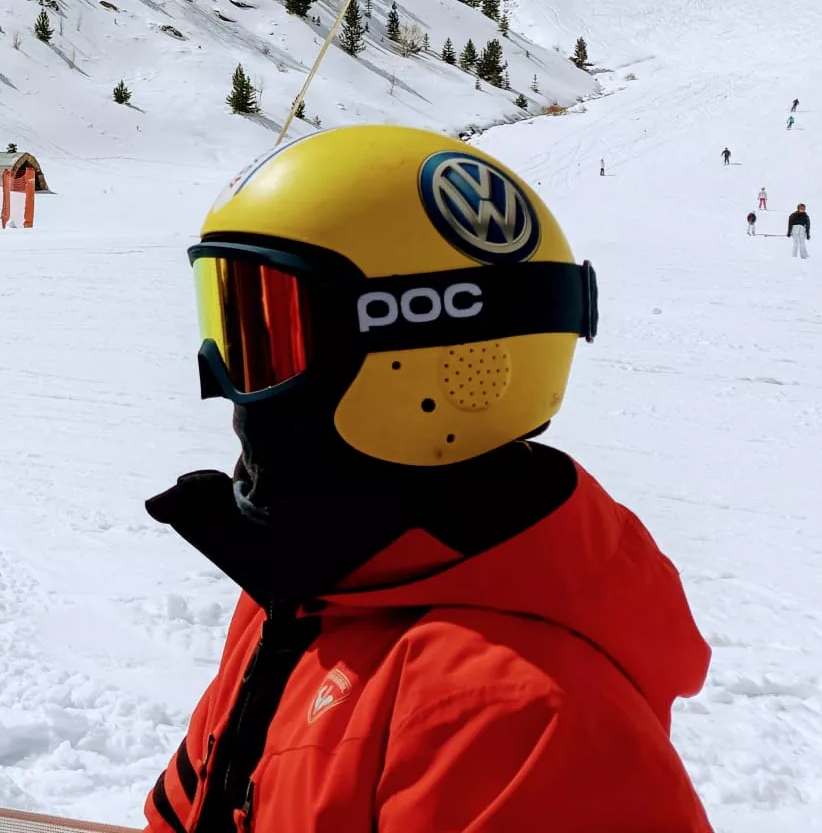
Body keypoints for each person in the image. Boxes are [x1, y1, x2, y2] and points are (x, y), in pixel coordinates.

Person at [144, 126, 711, 832]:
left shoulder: (519, 721)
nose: (220, 381)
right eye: (234, 323)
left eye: (270, 339)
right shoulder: (304, 591)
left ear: (438, 358)